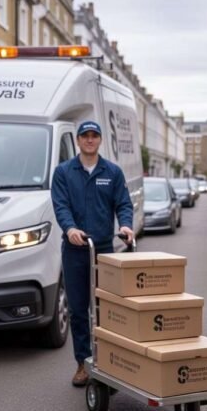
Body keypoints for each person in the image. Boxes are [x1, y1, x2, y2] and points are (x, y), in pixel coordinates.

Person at [51, 120, 134, 387]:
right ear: (78, 140)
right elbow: (60, 205)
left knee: (106, 309)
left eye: (94, 136)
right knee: (78, 310)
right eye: (85, 136)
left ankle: (110, 361)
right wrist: (70, 228)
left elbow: (123, 203)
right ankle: (83, 363)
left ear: (100, 140)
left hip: (104, 251)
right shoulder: (64, 172)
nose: (89, 140)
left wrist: (125, 224)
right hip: (76, 250)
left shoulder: (112, 172)